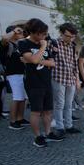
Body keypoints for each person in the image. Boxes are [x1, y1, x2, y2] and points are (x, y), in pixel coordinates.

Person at [18, 18, 64, 147]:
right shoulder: (24, 43)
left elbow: (52, 63)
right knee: (36, 111)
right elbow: (33, 59)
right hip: (33, 82)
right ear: (34, 32)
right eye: (42, 33)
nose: (45, 36)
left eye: (45, 34)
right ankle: (38, 136)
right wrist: (42, 48)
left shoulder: (42, 43)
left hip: (46, 81)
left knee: (48, 110)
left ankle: (48, 133)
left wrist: (36, 60)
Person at [51, 23, 81, 137]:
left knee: (69, 104)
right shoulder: (54, 43)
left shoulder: (72, 45)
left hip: (70, 78)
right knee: (59, 104)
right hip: (58, 77)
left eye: (73, 36)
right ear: (61, 33)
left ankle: (69, 125)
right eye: (68, 36)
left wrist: (77, 79)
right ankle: (60, 127)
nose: (70, 38)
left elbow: (74, 64)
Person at [0, 25, 30, 130]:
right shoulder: (7, 44)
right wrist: (14, 31)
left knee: (23, 98)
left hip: (22, 74)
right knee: (17, 97)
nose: (21, 33)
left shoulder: (18, 45)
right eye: (19, 32)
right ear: (13, 33)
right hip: (13, 74)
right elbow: (4, 39)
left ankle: (20, 118)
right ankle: (12, 121)